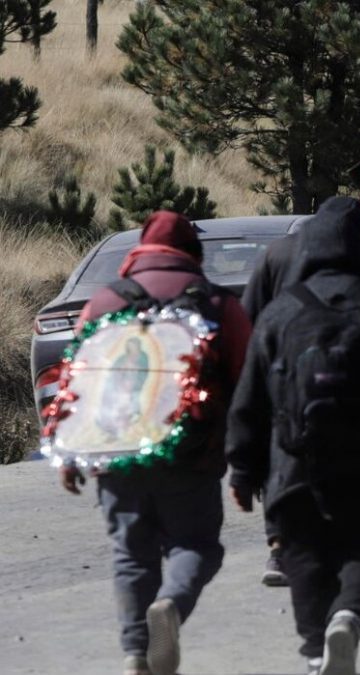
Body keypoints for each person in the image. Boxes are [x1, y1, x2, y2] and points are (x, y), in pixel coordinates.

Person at [226, 196, 360, 675]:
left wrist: (242, 469)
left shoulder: (280, 312)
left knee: (303, 558)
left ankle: (317, 649)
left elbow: (250, 396)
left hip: (293, 461)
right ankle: (348, 615)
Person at [59, 211, 252, 675]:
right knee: (197, 546)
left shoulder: (104, 302)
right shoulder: (217, 304)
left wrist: (69, 453)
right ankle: (171, 603)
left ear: (139, 250)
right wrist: (247, 456)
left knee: (131, 555)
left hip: (114, 451)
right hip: (192, 453)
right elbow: (248, 383)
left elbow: (74, 381)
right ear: (194, 253)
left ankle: (135, 654)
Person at [241, 215, 360, 587]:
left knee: (284, 460)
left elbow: (250, 315)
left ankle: (279, 549)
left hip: (285, 373)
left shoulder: (274, 255)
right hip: (352, 376)